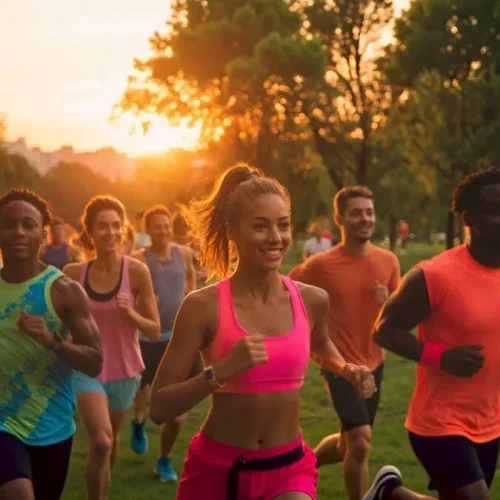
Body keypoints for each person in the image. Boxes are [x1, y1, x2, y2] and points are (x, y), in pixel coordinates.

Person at [149, 164, 376, 500]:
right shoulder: (202, 307)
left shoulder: (312, 299)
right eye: (260, 226)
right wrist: (221, 372)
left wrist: (346, 368)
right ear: (233, 231)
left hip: (287, 468)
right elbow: (159, 407)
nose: (276, 237)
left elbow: (320, 344)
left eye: (283, 225)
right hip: (216, 470)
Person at [366, 168, 500, 500]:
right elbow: (384, 330)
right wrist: (441, 356)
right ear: (470, 218)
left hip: (489, 419)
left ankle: (390, 494)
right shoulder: (436, 275)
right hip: (440, 421)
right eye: (495, 210)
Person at [289, 186, 400, 500]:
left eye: (369, 212)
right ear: (340, 219)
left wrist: (387, 299)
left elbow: (400, 313)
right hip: (336, 362)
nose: (365, 218)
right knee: (362, 439)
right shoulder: (320, 265)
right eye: (356, 213)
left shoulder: (388, 260)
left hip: (373, 361)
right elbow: (287, 293)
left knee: (346, 444)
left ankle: (301, 465)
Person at [0, 189, 102, 500]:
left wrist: (52, 340)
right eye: (8, 224)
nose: (18, 231)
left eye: (28, 224)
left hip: (52, 424)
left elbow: (95, 360)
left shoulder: (63, 290)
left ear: (42, 234)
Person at [64, 195, 160, 500]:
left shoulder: (136, 273)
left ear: (125, 230)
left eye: (117, 226)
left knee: (110, 440)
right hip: (87, 368)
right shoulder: (72, 274)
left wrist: (130, 314)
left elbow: (154, 330)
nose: (111, 233)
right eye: (102, 226)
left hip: (125, 369)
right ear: (89, 232)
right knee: (102, 441)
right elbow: (60, 324)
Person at [130, 204, 197, 482]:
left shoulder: (185, 253)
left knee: (178, 414)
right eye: (157, 226)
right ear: (147, 230)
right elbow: (126, 294)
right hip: (148, 339)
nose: (164, 230)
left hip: (179, 339)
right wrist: (143, 302)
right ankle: (138, 420)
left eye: (167, 225)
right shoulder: (138, 259)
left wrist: (190, 298)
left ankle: (164, 460)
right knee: (144, 390)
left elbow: (192, 279)